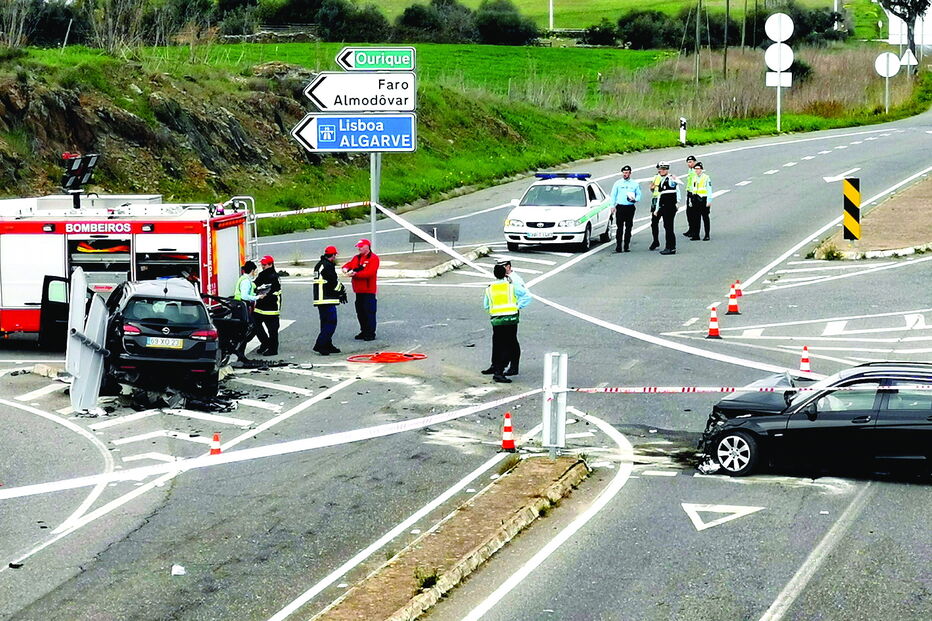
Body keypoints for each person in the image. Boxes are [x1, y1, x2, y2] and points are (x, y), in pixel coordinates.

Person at [482, 264, 531, 384]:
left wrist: (494, 311)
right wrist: (517, 306)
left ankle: (496, 367)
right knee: (508, 344)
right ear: (505, 274)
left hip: (497, 319)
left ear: (494, 274)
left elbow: (486, 305)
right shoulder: (511, 286)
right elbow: (527, 296)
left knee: (498, 343)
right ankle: (499, 371)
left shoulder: (490, 288)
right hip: (510, 318)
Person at [342, 238, 380, 341]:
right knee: (360, 312)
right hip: (358, 290)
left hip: (368, 290)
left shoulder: (374, 258)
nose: (359, 248)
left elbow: (369, 273)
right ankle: (363, 331)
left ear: (367, 246)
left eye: (361, 246)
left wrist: (355, 274)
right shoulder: (356, 258)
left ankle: (370, 333)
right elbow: (348, 265)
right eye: (358, 246)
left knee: (369, 312)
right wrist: (345, 269)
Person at [312, 245, 347, 356]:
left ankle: (327, 344)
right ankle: (321, 345)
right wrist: (342, 291)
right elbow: (333, 282)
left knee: (325, 322)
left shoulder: (319, 265)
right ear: (333, 255)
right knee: (331, 322)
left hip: (320, 298)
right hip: (326, 298)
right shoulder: (327, 266)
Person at [233, 260, 263, 362]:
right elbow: (244, 295)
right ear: (252, 270)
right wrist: (258, 297)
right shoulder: (246, 281)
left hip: (241, 307)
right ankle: (239, 350)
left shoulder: (244, 279)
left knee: (247, 330)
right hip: (242, 307)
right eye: (255, 271)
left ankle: (240, 352)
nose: (255, 273)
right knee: (250, 329)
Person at [608, 164, 641, 252]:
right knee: (619, 227)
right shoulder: (618, 183)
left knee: (629, 227)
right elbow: (613, 195)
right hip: (620, 207)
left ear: (630, 173)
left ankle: (626, 245)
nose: (625, 174)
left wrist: (635, 199)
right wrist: (612, 206)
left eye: (627, 173)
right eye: (624, 173)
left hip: (630, 207)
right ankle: (618, 246)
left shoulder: (634, 184)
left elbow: (639, 195)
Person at [253, 255, 282, 356]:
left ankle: (273, 349)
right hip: (261, 306)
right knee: (255, 325)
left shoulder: (274, 277)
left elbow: (273, 291)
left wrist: (264, 295)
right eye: (262, 265)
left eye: (264, 265)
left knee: (272, 329)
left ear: (271, 264)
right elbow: (255, 285)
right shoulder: (262, 275)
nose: (263, 266)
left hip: (271, 307)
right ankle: (265, 343)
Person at [653, 161, 682, 255]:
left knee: (669, 227)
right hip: (663, 206)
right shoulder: (661, 180)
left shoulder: (670, 178)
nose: (661, 171)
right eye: (660, 169)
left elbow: (677, 189)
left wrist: (677, 202)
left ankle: (671, 247)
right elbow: (660, 196)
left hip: (670, 206)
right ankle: (669, 246)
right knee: (666, 226)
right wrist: (657, 209)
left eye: (663, 169)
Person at [690, 161, 713, 241]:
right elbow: (693, 188)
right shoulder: (694, 178)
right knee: (696, 218)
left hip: (703, 199)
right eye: (695, 169)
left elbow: (709, 190)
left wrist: (709, 200)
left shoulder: (706, 177)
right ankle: (696, 235)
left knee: (705, 217)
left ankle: (707, 234)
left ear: (701, 169)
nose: (696, 170)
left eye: (698, 169)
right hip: (696, 199)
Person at [648, 163, 663, 251]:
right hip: (655, 199)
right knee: (654, 223)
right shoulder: (655, 177)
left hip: (664, 200)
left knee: (667, 223)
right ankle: (655, 240)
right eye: (659, 168)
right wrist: (652, 187)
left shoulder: (669, 177)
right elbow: (651, 187)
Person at [683, 155, 698, 238]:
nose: (689, 164)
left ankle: (694, 230)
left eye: (690, 162)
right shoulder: (690, 170)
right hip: (689, 192)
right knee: (688, 212)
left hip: (694, 193)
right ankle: (690, 228)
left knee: (694, 213)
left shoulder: (696, 170)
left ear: (694, 162)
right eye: (688, 162)